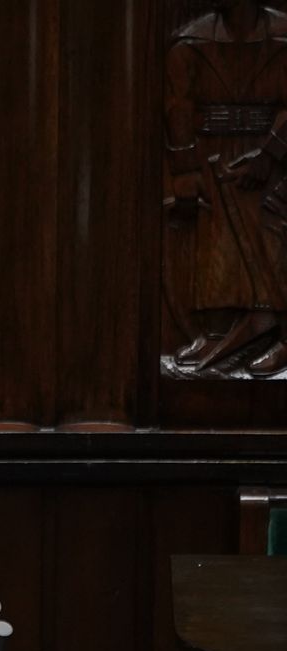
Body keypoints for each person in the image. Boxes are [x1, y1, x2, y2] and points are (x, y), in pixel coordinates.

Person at [164, 0, 287, 376]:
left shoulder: (283, 36)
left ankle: (274, 329)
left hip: (272, 159)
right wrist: (184, 170)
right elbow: (178, 109)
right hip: (212, 154)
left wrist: (269, 154)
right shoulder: (191, 43)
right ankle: (219, 327)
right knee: (215, 240)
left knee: (271, 238)